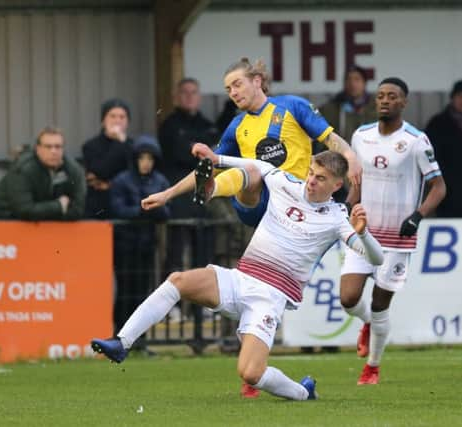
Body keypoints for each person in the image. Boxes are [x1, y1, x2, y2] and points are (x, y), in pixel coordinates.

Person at [92, 150, 384, 401]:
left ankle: (302, 393)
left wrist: (364, 235)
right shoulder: (284, 182)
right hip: (239, 280)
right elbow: (251, 164)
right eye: (310, 173)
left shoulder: (337, 219)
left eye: (320, 178)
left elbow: (376, 258)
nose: (310, 181)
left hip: (269, 298)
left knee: (251, 373)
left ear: (336, 185)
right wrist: (214, 158)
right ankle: (122, 342)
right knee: (178, 280)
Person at [142, 57, 362, 229]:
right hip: (257, 203)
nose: (233, 93)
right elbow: (210, 165)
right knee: (246, 169)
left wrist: (350, 156)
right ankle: (211, 189)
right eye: (228, 90)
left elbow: (330, 138)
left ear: (257, 81)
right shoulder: (236, 125)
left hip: (295, 198)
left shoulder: (292, 106)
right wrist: (166, 194)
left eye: (237, 85)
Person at [339, 77, 446, 385]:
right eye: (381, 95)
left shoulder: (416, 140)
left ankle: (372, 367)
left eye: (392, 96)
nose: (384, 100)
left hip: (399, 238)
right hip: (364, 231)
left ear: (403, 103)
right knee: (348, 298)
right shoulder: (361, 136)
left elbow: (439, 187)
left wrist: (418, 215)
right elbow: (356, 181)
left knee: (380, 303)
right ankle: (369, 324)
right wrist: (348, 204)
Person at [110, 135, 170, 343]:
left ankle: (139, 340)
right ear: (135, 159)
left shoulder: (160, 181)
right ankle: (120, 336)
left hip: (146, 245)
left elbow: (167, 211)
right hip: (125, 245)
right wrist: (144, 211)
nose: (146, 163)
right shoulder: (122, 180)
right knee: (125, 292)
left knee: (143, 294)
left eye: (150, 159)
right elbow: (117, 210)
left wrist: (150, 211)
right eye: (142, 158)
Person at [0, 126, 86, 220]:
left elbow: (78, 210)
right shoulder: (22, 168)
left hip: (37, 224)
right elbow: (24, 210)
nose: (53, 151)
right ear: (38, 149)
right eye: (48, 147)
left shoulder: (73, 170)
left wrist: (47, 213)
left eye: (57, 146)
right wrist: (59, 206)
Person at [158, 77, 218, 219]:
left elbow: (216, 153)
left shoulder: (208, 126)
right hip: (179, 188)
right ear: (176, 97)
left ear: (200, 97)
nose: (190, 96)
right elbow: (179, 155)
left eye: (193, 92)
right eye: (185, 92)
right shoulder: (169, 125)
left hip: (206, 186)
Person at [82, 98, 134, 219]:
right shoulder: (90, 146)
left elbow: (135, 171)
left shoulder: (134, 146)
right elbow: (100, 171)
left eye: (122, 117)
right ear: (103, 120)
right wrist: (119, 143)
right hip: (100, 206)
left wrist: (109, 184)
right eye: (113, 116)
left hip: (127, 203)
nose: (117, 121)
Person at [424, 79, 462, 217]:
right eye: (459, 96)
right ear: (453, 98)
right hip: (447, 192)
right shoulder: (438, 123)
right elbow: (428, 157)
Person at [316, 65, 376, 151]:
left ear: (364, 83)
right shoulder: (331, 108)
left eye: (357, 79)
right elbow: (319, 136)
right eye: (348, 80)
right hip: (339, 158)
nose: (352, 84)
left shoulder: (377, 108)